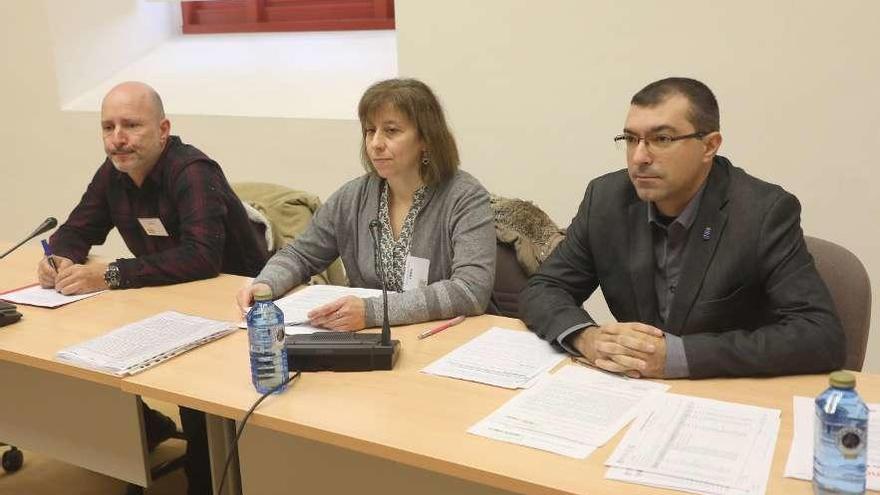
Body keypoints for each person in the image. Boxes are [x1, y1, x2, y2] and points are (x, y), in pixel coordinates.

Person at [522, 77, 845, 379]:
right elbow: (544, 289)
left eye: (661, 139)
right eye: (631, 139)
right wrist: (586, 337)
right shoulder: (606, 200)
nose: (639, 157)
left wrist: (677, 357)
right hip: (633, 391)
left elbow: (819, 335)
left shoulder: (762, 212)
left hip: (725, 394)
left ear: (709, 146)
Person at [38, 81, 268, 495]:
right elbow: (76, 229)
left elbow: (202, 258)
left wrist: (110, 275)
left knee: (200, 415)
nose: (117, 139)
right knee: (83, 356)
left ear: (163, 129)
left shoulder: (192, 172)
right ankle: (144, 430)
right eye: (108, 127)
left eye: (131, 125)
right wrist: (61, 257)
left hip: (233, 311)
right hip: (165, 302)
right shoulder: (113, 174)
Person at [236, 78, 495, 329]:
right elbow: (301, 255)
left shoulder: (465, 197)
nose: (375, 143)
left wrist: (373, 312)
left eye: (391, 131)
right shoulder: (353, 197)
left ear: (426, 139)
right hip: (364, 339)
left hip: (441, 338)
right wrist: (267, 284)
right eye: (370, 131)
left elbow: (471, 290)